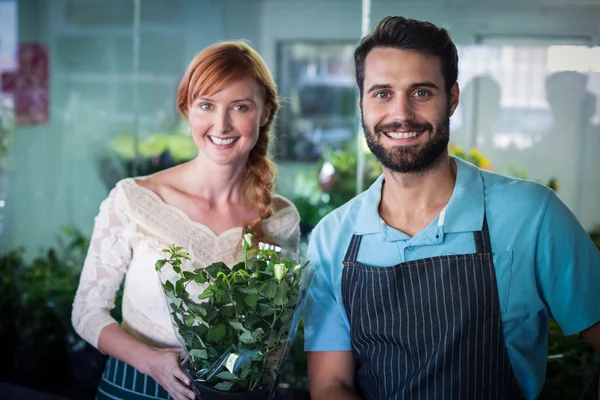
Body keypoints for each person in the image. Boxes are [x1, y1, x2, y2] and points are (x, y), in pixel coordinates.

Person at [303, 16, 600, 400]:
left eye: (421, 92)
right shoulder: (333, 237)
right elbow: (331, 384)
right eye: (382, 94)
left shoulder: (532, 215)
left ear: (452, 98)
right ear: (361, 102)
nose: (402, 114)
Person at [72, 41, 301, 400]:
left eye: (239, 107)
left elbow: (273, 333)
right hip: (134, 388)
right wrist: (150, 361)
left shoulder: (280, 218)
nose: (221, 124)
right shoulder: (135, 198)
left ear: (266, 112)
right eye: (206, 105)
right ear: (187, 110)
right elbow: (86, 313)